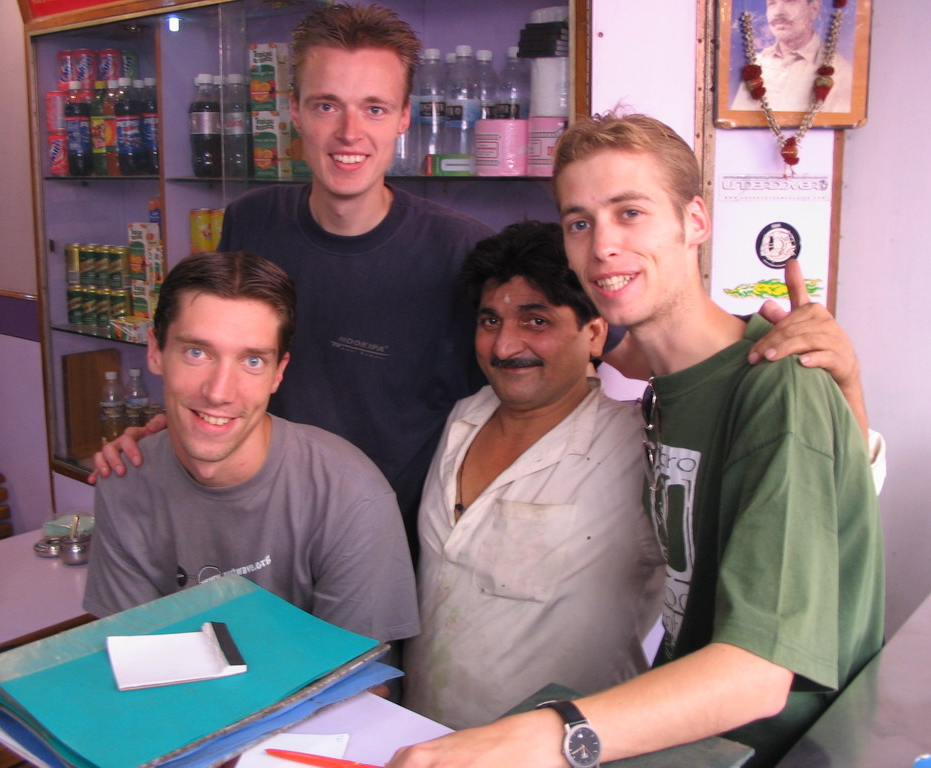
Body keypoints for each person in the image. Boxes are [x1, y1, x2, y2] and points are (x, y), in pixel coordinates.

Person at [90, 3, 871, 553]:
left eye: (373, 107)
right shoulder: (251, 225)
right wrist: (180, 421)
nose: (349, 132)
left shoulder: (461, 248)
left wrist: (815, 366)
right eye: (326, 105)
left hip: (408, 552)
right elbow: (227, 360)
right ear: (294, 111)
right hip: (265, 536)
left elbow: (625, 344)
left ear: (405, 118)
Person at [388, 112, 883, 768]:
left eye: (631, 213)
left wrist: (532, 737)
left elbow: (762, 674)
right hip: (693, 748)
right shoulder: (665, 397)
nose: (602, 247)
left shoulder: (775, 380)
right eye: (579, 222)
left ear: (696, 222)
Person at [84, 251, 419, 651]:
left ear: (279, 371)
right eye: (197, 352)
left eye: (253, 360)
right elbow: (134, 658)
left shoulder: (350, 495)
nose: (219, 392)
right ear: (155, 351)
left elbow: (360, 686)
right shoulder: (126, 479)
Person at [402, 221, 664, 730]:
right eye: (490, 321)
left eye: (536, 321)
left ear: (593, 333)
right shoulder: (461, 419)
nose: (503, 347)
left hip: (563, 753)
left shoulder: (637, 448)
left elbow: (783, 513)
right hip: (426, 740)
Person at [730, 0, 853, 113]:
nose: (778, 12)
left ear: (813, 9)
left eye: (790, 1)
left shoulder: (842, 72)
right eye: (772, 3)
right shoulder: (757, 62)